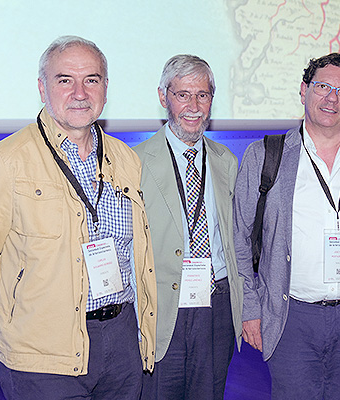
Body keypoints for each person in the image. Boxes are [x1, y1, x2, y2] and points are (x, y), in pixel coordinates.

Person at [0, 36, 157, 399]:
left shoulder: (127, 160)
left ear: (105, 89)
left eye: (91, 80)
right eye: (65, 80)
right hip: (41, 357)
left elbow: (137, 256)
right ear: (42, 88)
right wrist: (14, 338)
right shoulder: (3, 162)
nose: (80, 92)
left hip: (123, 342)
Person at [234, 52, 340, 399]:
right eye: (322, 86)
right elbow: (239, 239)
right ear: (304, 90)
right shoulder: (265, 155)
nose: (331, 98)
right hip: (290, 316)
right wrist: (249, 308)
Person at [132, 54, 242, 400]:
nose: (194, 106)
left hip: (217, 302)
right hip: (164, 302)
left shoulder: (226, 161)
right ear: (164, 97)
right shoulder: (134, 161)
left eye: (203, 95)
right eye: (182, 95)